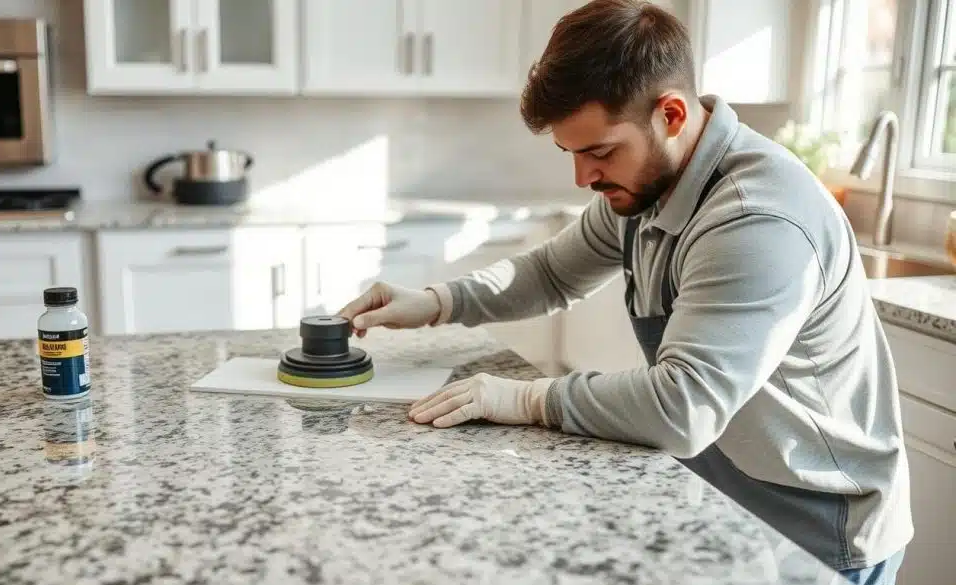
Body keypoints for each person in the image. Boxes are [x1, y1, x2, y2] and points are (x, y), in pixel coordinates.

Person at [335, 1, 912, 582]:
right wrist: (434, 302)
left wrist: (524, 399)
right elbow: (550, 274)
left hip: (817, 530)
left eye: (600, 151)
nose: (582, 178)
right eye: (572, 153)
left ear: (672, 114)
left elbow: (684, 406)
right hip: (730, 502)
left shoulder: (754, 218)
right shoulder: (648, 187)